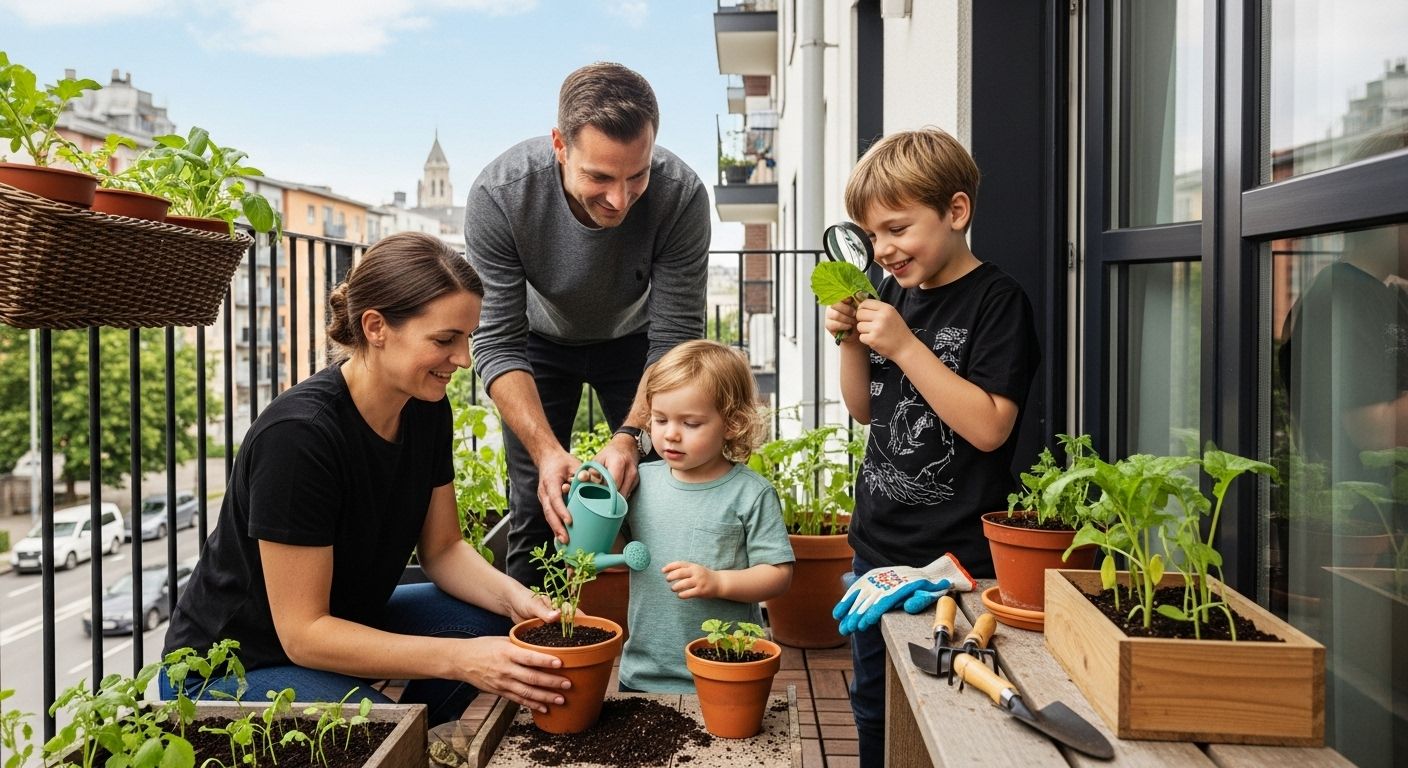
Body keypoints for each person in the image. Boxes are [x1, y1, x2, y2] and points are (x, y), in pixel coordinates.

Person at [161, 232, 572, 726]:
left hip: (345, 621)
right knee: (392, 730)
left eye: (468, 338)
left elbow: (442, 550)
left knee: (491, 623)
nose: (464, 360)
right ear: (375, 326)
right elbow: (303, 632)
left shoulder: (425, 408)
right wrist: (461, 661)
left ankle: (427, 731)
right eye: (445, 340)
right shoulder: (299, 437)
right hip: (235, 665)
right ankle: (410, 729)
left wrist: (518, 599)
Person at [823, 128, 1041, 767]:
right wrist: (851, 341)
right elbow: (864, 410)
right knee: (871, 701)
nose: (883, 250)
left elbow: (991, 427)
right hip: (878, 543)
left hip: (958, 558)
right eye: (871, 236)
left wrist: (905, 346)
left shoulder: (998, 303)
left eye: (897, 229)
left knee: (951, 708)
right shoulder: (892, 294)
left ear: (955, 211)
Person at [464, 61, 711, 590]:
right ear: (560, 144)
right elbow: (497, 342)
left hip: (642, 345)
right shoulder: (501, 194)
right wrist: (549, 452)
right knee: (539, 503)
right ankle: (533, 660)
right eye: (598, 177)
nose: (619, 199)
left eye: (636, 176)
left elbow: (675, 340)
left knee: (667, 490)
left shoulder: (681, 194)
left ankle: (661, 656)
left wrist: (629, 437)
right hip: (537, 345)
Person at [616, 340, 794, 692]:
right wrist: (593, 507)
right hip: (641, 674)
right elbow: (617, 550)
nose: (671, 433)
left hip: (725, 673)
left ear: (732, 423)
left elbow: (778, 574)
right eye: (660, 419)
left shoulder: (750, 493)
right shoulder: (641, 482)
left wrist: (718, 582)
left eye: (691, 423)